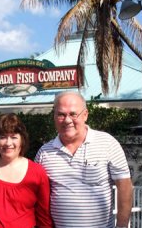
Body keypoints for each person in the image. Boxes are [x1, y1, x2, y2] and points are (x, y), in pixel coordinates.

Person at [35, 91, 132, 228]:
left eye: (73, 114)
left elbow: (125, 186)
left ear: (85, 115)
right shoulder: (44, 152)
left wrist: (121, 226)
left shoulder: (107, 143)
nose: (67, 120)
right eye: (61, 114)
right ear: (54, 117)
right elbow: (37, 196)